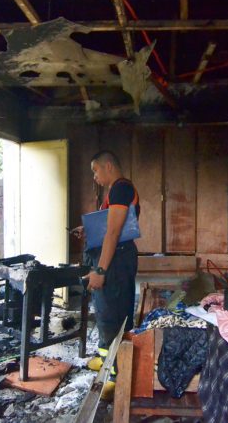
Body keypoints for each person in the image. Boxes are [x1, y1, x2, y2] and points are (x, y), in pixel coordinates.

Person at [74, 150, 140, 397]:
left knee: (113, 316)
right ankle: (106, 360)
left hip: (116, 262)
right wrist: (88, 229)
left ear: (108, 166)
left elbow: (113, 233)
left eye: (95, 170)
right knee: (104, 312)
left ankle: (117, 375)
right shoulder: (114, 192)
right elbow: (107, 227)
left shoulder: (120, 189)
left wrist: (100, 270)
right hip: (113, 258)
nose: (94, 176)